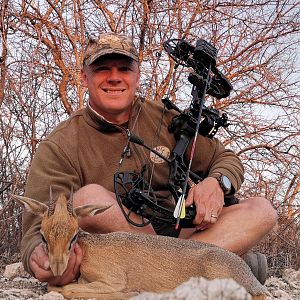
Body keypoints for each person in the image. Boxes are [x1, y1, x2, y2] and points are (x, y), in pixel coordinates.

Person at [21, 32, 277, 286]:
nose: (114, 77)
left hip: (177, 229)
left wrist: (217, 183)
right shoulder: (60, 143)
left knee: (261, 211)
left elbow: (225, 158)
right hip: (120, 243)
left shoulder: (165, 117)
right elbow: (39, 225)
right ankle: (215, 268)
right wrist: (40, 258)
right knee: (88, 200)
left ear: (137, 77)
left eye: (124, 68)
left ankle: (170, 276)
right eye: (101, 69)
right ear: (84, 77)